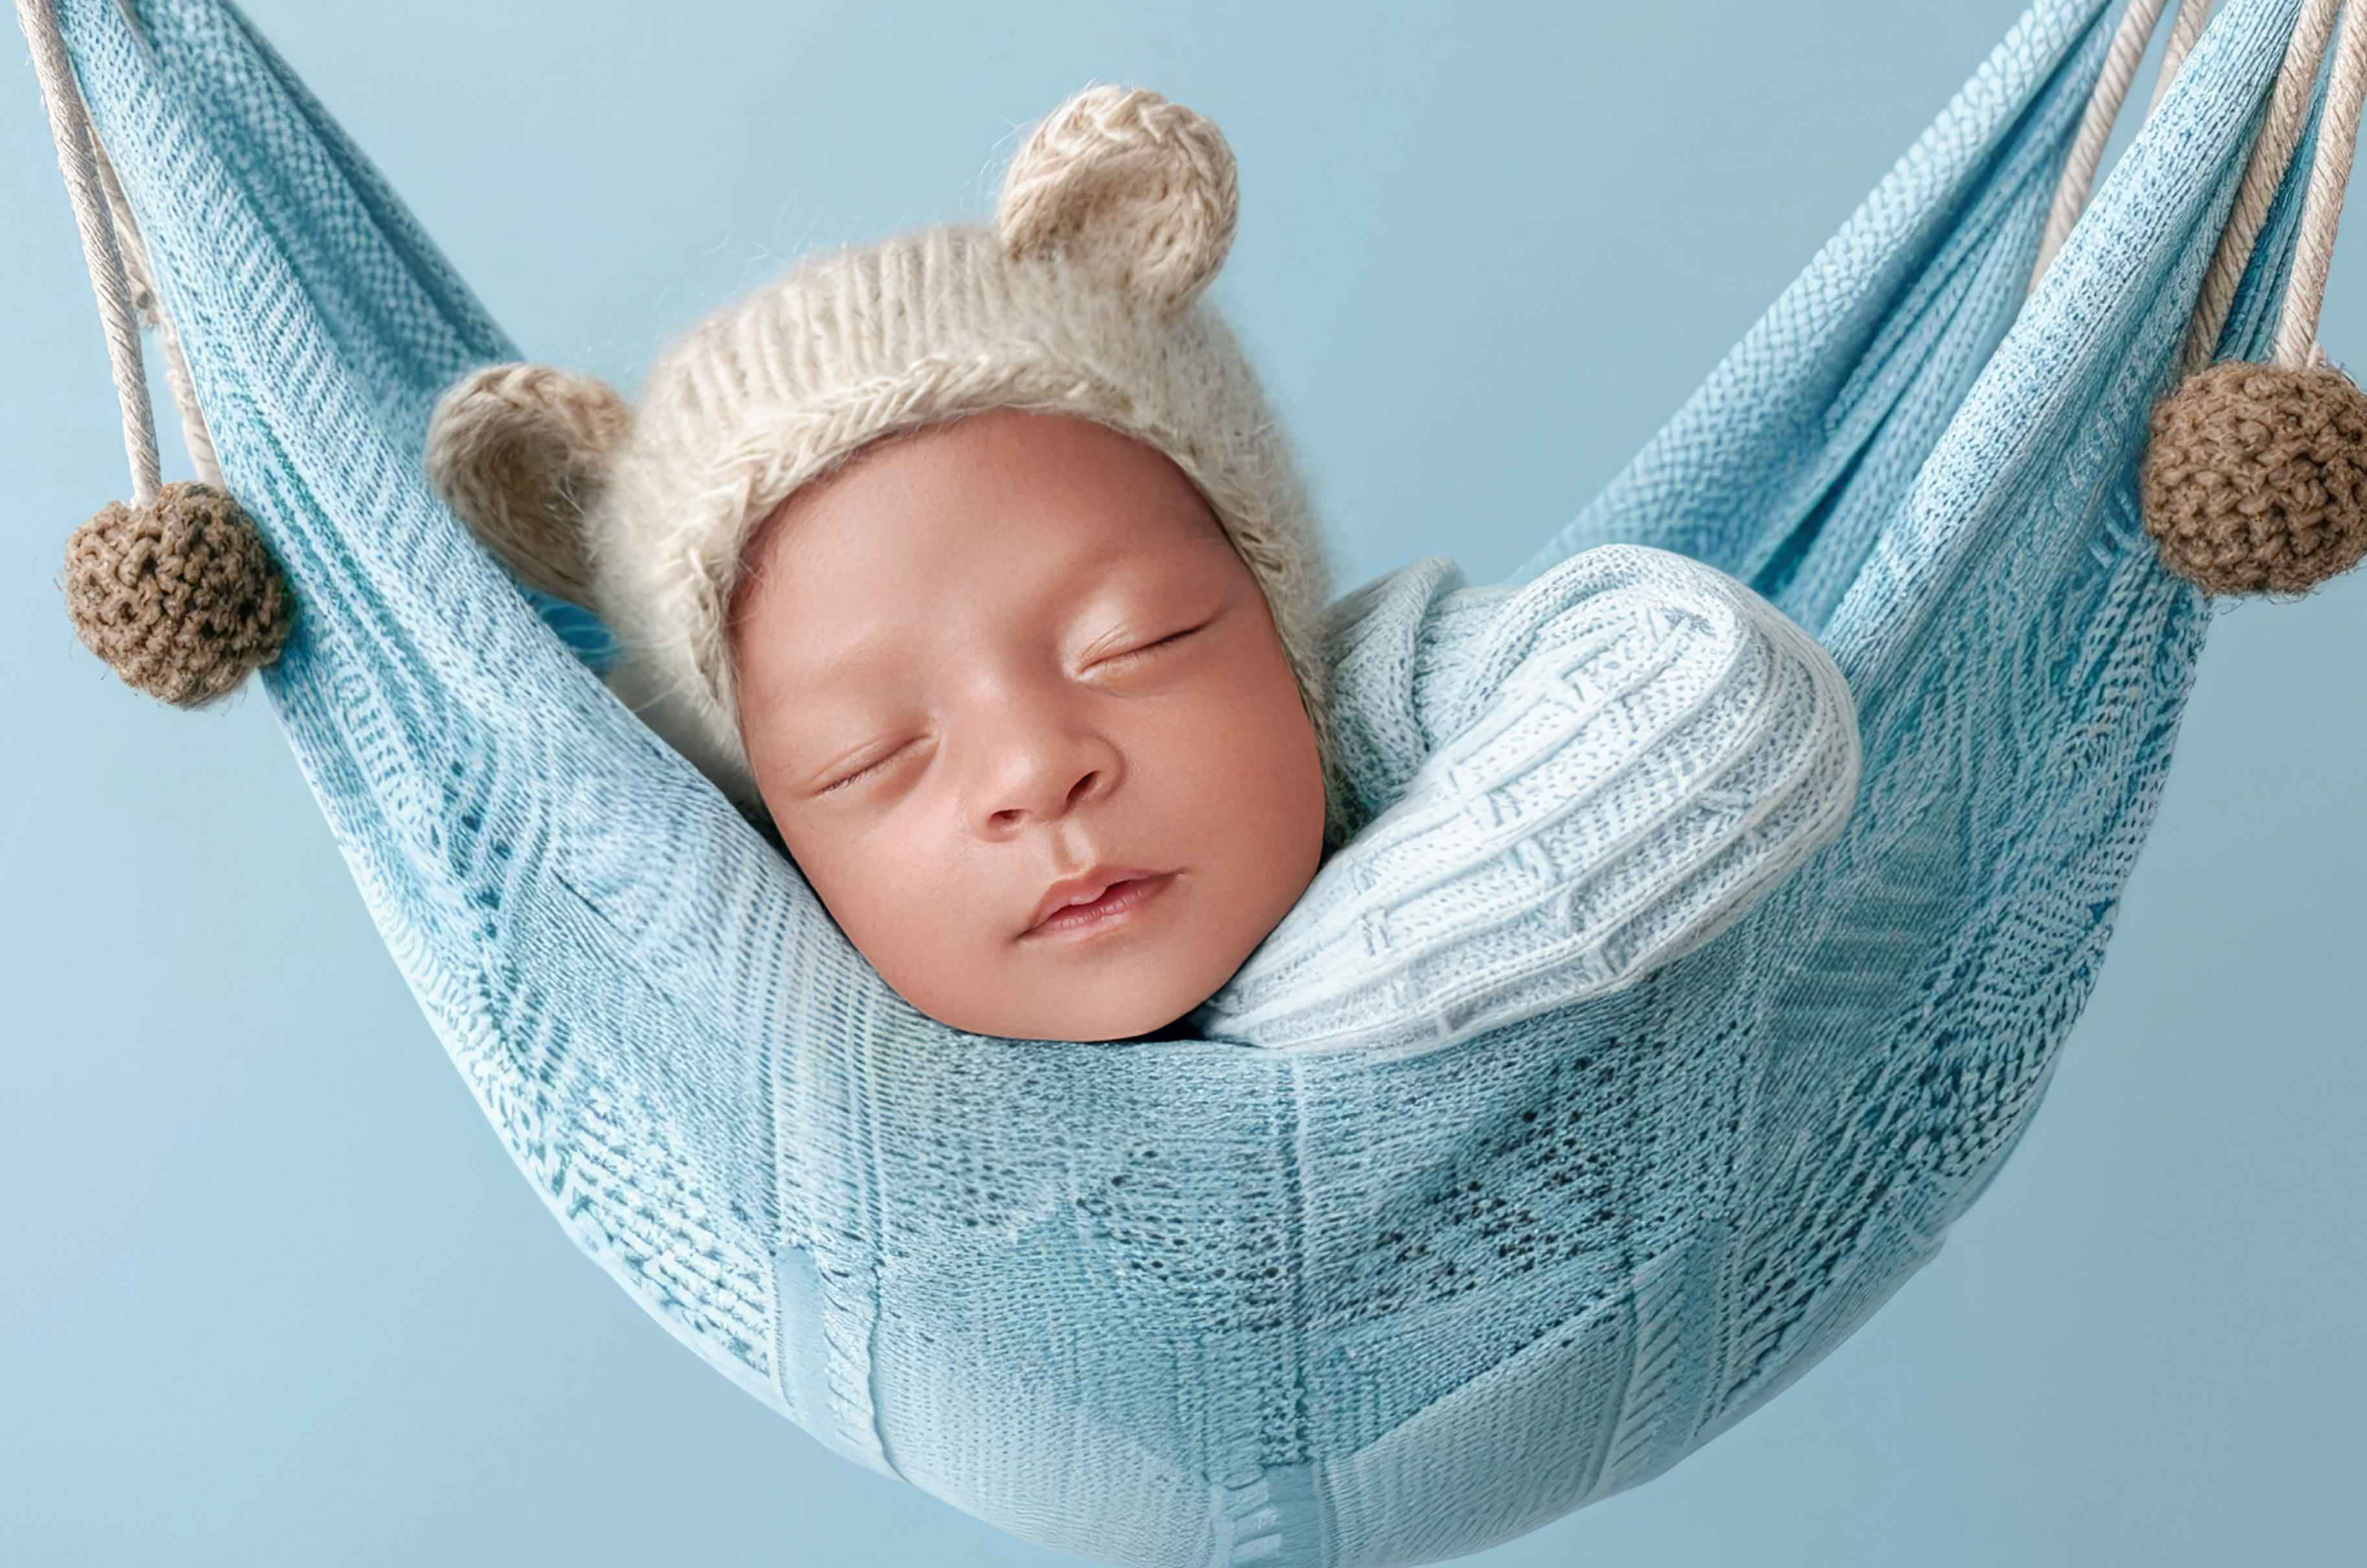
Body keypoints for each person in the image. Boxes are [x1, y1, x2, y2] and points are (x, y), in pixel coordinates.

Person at [424, 85, 1859, 1051]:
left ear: (1271, 612)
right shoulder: (818, 1052)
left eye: (1139, 638)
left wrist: (1276, 1039)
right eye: (870, 758)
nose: (1036, 770)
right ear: (783, 844)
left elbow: (1733, 697)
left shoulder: (1390, 707)